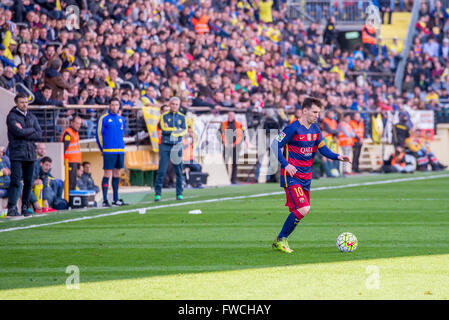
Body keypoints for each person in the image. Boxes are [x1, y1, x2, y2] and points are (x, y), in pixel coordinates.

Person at [271, 97, 351, 253]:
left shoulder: (316, 129)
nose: (317, 115)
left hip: (306, 177)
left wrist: (337, 156)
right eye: (314, 112)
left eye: (318, 113)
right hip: (292, 176)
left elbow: (323, 149)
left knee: (301, 210)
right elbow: (275, 144)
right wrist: (286, 165)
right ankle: (281, 239)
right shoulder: (292, 128)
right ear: (304, 111)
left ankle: (279, 240)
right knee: (303, 208)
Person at [6, 92, 42, 219]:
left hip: (30, 153)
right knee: (15, 181)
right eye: (22, 102)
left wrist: (26, 131)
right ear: (16, 103)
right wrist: (31, 130)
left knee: (28, 182)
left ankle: (25, 207)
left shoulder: (31, 116)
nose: (25, 104)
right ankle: (12, 208)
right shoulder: (12, 117)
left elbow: (39, 134)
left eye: (26, 102)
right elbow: (18, 132)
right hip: (17, 153)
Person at [154, 97, 187, 201]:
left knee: (178, 171)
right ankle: (158, 193)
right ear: (169, 104)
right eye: (172, 104)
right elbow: (164, 129)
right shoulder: (163, 116)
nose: (174, 106)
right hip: (165, 145)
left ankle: (179, 193)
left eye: (176, 104)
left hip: (177, 145)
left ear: (179, 105)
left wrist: (173, 130)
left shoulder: (182, 117)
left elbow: (184, 130)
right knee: (161, 170)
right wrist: (177, 130)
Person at [96, 98, 127, 207]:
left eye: (116, 105)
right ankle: (105, 200)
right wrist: (102, 149)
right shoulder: (104, 119)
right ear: (109, 105)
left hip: (120, 151)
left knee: (117, 174)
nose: (114, 107)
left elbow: (121, 134)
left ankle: (115, 199)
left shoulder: (121, 119)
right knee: (107, 174)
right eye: (112, 105)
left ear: (119, 106)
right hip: (109, 151)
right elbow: (99, 134)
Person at [220, 111, 244, 184]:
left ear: (234, 116)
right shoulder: (223, 124)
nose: (230, 117)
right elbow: (220, 134)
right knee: (225, 162)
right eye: (229, 115)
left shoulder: (239, 124)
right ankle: (226, 178)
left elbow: (241, 135)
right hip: (226, 146)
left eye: (231, 115)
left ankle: (233, 179)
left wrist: (235, 144)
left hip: (235, 147)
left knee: (234, 163)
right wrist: (225, 143)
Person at [61, 116, 82, 190]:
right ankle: (69, 199)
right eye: (77, 123)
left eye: (80, 124)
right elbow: (64, 147)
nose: (78, 125)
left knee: (73, 182)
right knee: (70, 182)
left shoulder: (75, 133)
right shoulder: (68, 133)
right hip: (69, 161)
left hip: (74, 161)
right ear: (72, 123)